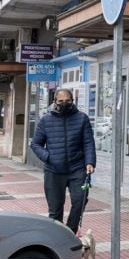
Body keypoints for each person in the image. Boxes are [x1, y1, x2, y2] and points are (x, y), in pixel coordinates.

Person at [30, 88, 96, 233]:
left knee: (80, 201)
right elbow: (35, 144)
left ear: (73, 101)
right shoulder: (46, 120)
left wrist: (90, 162)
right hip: (54, 171)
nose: (64, 103)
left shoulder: (82, 118)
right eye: (61, 101)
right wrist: (48, 157)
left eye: (68, 101)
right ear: (55, 102)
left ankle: (70, 232)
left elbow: (88, 142)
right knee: (55, 209)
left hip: (77, 169)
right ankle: (57, 237)